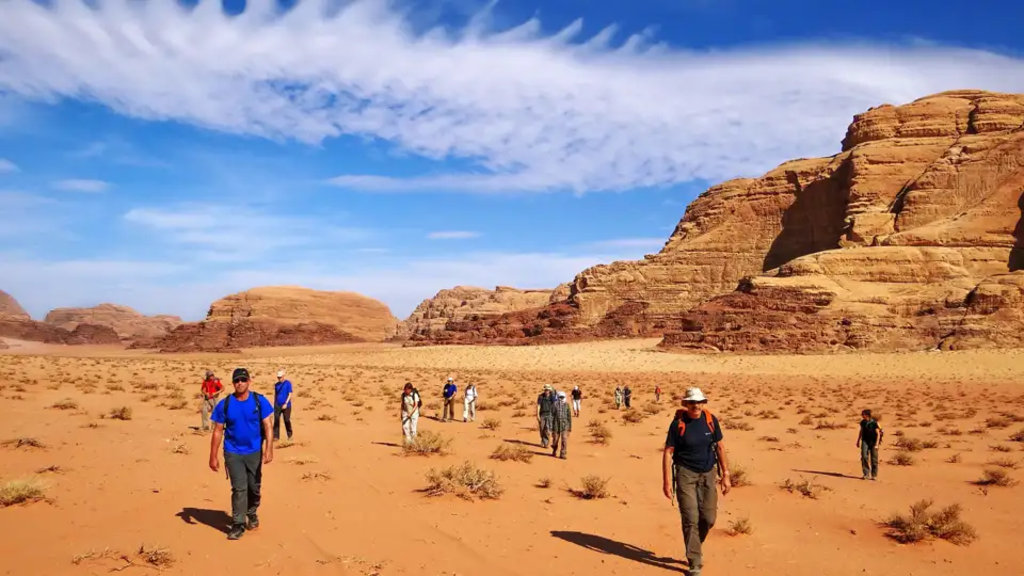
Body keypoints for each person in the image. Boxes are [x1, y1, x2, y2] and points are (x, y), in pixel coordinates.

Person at [662, 387, 731, 576]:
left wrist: (726, 474)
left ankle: (694, 544)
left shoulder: (710, 420)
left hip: (708, 473)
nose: (696, 406)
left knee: (708, 518)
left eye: (699, 402)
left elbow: (720, 447)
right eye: (692, 402)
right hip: (686, 474)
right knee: (690, 518)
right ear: (686, 404)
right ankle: (695, 561)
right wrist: (666, 481)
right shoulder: (678, 424)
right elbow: (668, 452)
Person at [209, 367, 274, 541]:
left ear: (249, 381)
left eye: (243, 380)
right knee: (239, 488)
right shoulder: (225, 404)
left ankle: (251, 512)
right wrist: (213, 456)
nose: (240, 383)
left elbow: (268, 425)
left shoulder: (259, 401)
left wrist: (269, 449)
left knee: (254, 487)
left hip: (254, 452)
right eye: (237, 380)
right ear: (233, 383)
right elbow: (217, 430)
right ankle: (238, 524)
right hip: (233, 452)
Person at [856, 409, 884, 480]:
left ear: (867, 415)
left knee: (874, 458)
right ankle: (866, 474)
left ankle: (874, 475)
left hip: (873, 442)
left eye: (863, 414)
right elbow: (861, 431)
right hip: (865, 441)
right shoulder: (863, 422)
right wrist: (858, 440)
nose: (862, 415)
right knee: (864, 456)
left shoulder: (874, 423)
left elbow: (878, 434)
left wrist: (877, 444)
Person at [273, 369, 294, 441]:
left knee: (287, 420)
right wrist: (275, 403)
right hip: (277, 405)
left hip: (286, 405)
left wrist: (286, 403)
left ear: (283, 376)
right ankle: (276, 436)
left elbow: (290, 394)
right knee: (276, 420)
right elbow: (276, 395)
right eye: (278, 377)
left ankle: (290, 435)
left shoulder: (288, 383)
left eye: (280, 377)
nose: (279, 379)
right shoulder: (276, 385)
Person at [551, 391, 572, 459]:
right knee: (555, 440)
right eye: (560, 397)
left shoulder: (567, 405)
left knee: (564, 440)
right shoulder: (554, 404)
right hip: (556, 425)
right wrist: (551, 426)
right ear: (558, 397)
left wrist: (569, 428)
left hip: (564, 426)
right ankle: (554, 449)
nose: (561, 398)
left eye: (562, 397)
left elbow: (569, 417)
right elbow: (551, 415)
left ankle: (563, 454)